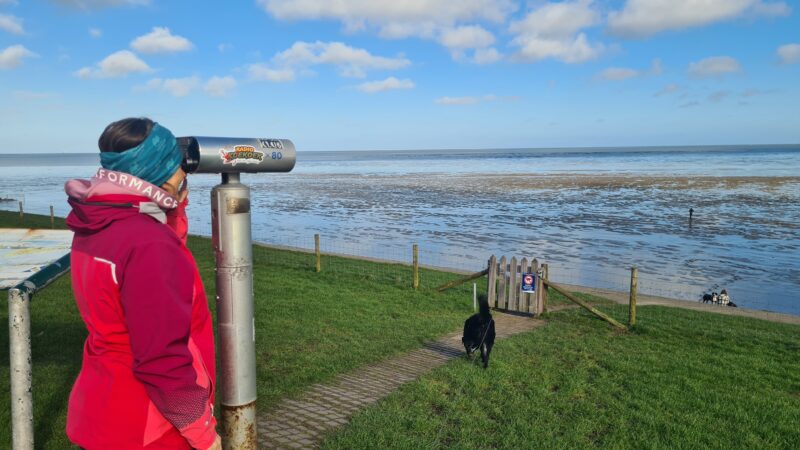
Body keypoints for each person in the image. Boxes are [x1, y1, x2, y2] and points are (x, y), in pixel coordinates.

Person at [64, 118, 221, 449]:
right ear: (161, 174)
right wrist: (204, 434)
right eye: (179, 167)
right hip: (148, 426)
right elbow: (162, 360)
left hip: (102, 408)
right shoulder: (151, 246)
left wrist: (172, 204)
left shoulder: (98, 224)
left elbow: (152, 267)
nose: (185, 172)